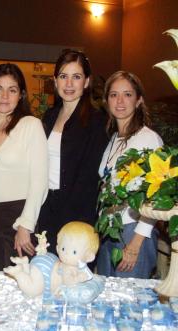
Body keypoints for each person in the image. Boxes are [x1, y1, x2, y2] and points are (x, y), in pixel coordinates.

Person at [0, 63, 48, 271]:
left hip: (18, 217)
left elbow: (39, 181)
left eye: (12, 90)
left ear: (21, 95)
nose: (5, 96)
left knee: (20, 285)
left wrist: (25, 225)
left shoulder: (30, 126)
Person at [36, 49, 108, 254]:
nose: (69, 84)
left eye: (76, 77)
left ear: (86, 82)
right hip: (46, 208)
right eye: (63, 76)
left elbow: (90, 178)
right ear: (55, 81)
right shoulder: (48, 118)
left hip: (77, 215)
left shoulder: (96, 122)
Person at [97, 71, 163, 278]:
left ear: (138, 100)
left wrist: (136, 243)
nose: (120, 101)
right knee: (109, 300)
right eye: (114, 94)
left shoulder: (148, 140)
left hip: (133, 232)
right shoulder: (114, 139)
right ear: (107, 100)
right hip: (109, 231)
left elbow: (155, 197)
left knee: (130, 302)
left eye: (127, 94)